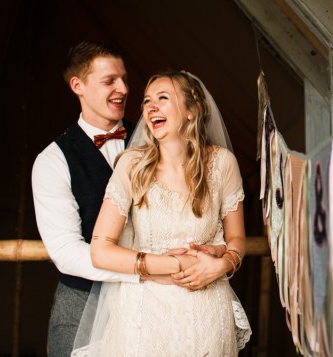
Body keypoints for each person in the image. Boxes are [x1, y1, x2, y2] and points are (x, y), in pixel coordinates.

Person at [74, 70, 251, 356]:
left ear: (193, 110)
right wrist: (175, 265)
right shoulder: (132, 165)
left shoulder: (223, 164)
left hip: (206, 311)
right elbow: (100, 251)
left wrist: (223, 264)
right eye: (146, 101)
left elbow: (237, 239)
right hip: (145, 314)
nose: (150, 107)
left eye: (162, 98)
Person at [32, 41, 137, 357]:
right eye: (109, 81)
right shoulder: (52, 160)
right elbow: (66, 252)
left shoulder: (155, 141)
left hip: (152, 303)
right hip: (82, 309)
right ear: (77, 85)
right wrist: (146, 269)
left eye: (124, 79)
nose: (123, 88)